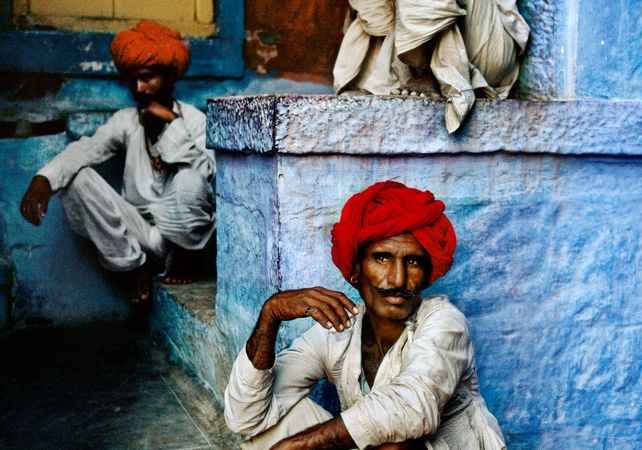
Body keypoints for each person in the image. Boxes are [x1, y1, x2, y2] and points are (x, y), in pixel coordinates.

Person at [225, 181, 505, 449]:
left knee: (396, 447)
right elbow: (245, 418)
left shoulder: (444, 321)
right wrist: (270, 315)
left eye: (412, 261)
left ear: (426, 275)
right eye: (381, 258)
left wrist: (296, 446)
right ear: (356, 270)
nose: (397, 279)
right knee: (269, 430)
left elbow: (413, 409)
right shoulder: (339, 332)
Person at [19, 20, 216, 302]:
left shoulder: (195, 121)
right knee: (76, 179)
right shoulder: (126, 120)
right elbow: (87, 149)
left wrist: (169, 128)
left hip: (180, 241)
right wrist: (44, 179)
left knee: (190, 179)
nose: (139, 88)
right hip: (138, 232)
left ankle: (186, 259)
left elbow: (208, 175)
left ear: (170, 78)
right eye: (133, 80)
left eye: (148, 77)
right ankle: (136, 267)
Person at [333, 0, 530, 133]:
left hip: (484, 47)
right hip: (403, 57)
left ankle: (432, 73)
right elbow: (377, 19)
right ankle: (420, 68)